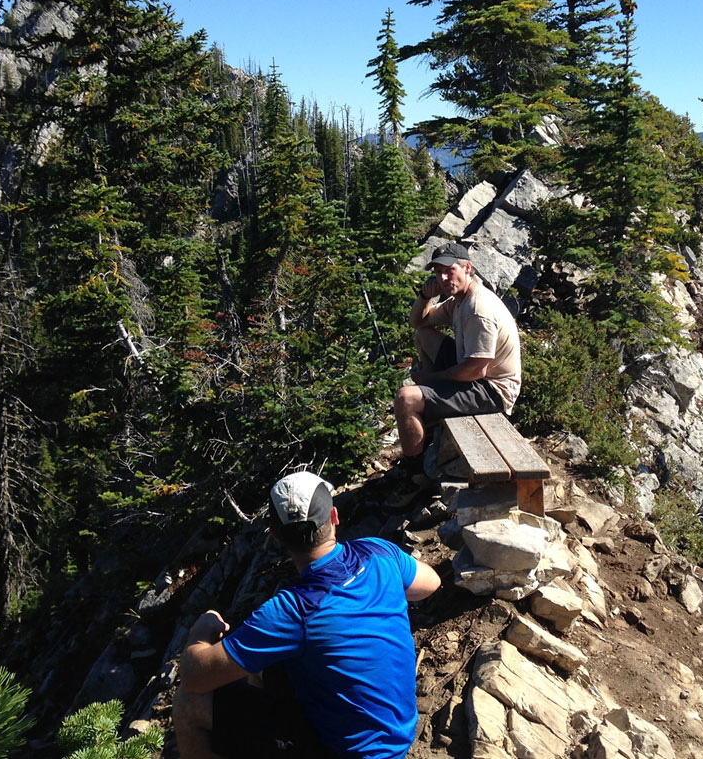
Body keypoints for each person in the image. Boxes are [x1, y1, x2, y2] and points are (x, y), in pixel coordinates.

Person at [174, 471, 441, 759]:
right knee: (274, 666)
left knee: (189, 702)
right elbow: (431, 583)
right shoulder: (379, 553)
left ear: (276, 536)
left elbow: (193, 678)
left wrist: (202, 630)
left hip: (346, 752)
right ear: (335, 516)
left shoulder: (292, 611)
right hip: (398, 735)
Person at [393, 242, 522, 477]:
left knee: (406, 398)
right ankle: (429, 413)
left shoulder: (477, 309)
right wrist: (424, 296)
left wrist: (429, 380)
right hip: (474, 375)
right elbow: (418, 323)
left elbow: (475, 371)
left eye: (449, 270)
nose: (443, 277)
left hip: (492, 392)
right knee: (424, 336)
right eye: (438, 272)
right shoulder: (459, 300)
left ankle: (413, 476)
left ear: (467, 268)